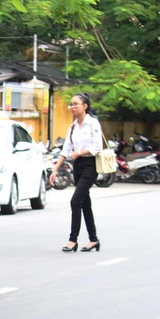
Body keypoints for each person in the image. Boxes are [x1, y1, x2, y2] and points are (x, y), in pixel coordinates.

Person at [50, 93, 103, 252]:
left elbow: (97, 147)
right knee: (85, 203)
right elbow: (65, 149)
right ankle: (93, 240)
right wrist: (55, 169)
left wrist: (79, 153)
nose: (72, 107)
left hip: (91, 165)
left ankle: (73, 240)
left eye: (75, 104)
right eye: (71, 104)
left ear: (85, 106)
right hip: (78, 166)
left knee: (75, 201)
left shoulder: (93, 124)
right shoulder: (72, 126)